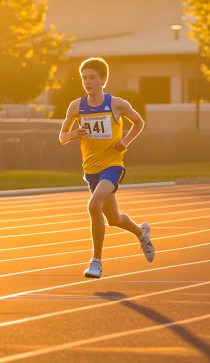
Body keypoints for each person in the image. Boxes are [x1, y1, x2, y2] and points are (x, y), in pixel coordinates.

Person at [59, 57, 154, 278]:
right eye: (84, 78)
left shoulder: (116, 104)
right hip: (91, 170)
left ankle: (96, 262)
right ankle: (142, 234)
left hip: (112, 166)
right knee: (114, 219)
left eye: (92, 78)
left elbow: (139, 122)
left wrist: (125, 142)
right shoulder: (76, 106)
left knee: (93, 205)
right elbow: (62, 136)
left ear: (103, 79)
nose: (87, 82)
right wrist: (73, 135)